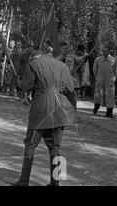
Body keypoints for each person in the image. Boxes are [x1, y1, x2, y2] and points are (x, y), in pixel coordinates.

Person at [13, 48, 77, 186]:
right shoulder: (61, 64)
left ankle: (23, 182)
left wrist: (19, 80)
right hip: (60, 109)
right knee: (55, 148)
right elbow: (70, 90)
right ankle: (56, 182)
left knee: (30, 145)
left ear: (33, 57)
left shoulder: (32, 64)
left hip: (41, 109)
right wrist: (71, 114)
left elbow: (26, 86)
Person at [93, 44, 117, 118]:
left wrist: (114, 78)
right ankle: (96, 107)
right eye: (103, 50)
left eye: (106, 50)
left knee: (110, 96)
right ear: (101, 51)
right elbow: (94, 70)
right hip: (100, 80)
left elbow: (116, 70)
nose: (105, 51)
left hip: (109, 80)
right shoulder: (97, 59)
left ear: (109, 51)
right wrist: (97, 78)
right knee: (98, 95)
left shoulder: (113, 59)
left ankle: (109, 112)